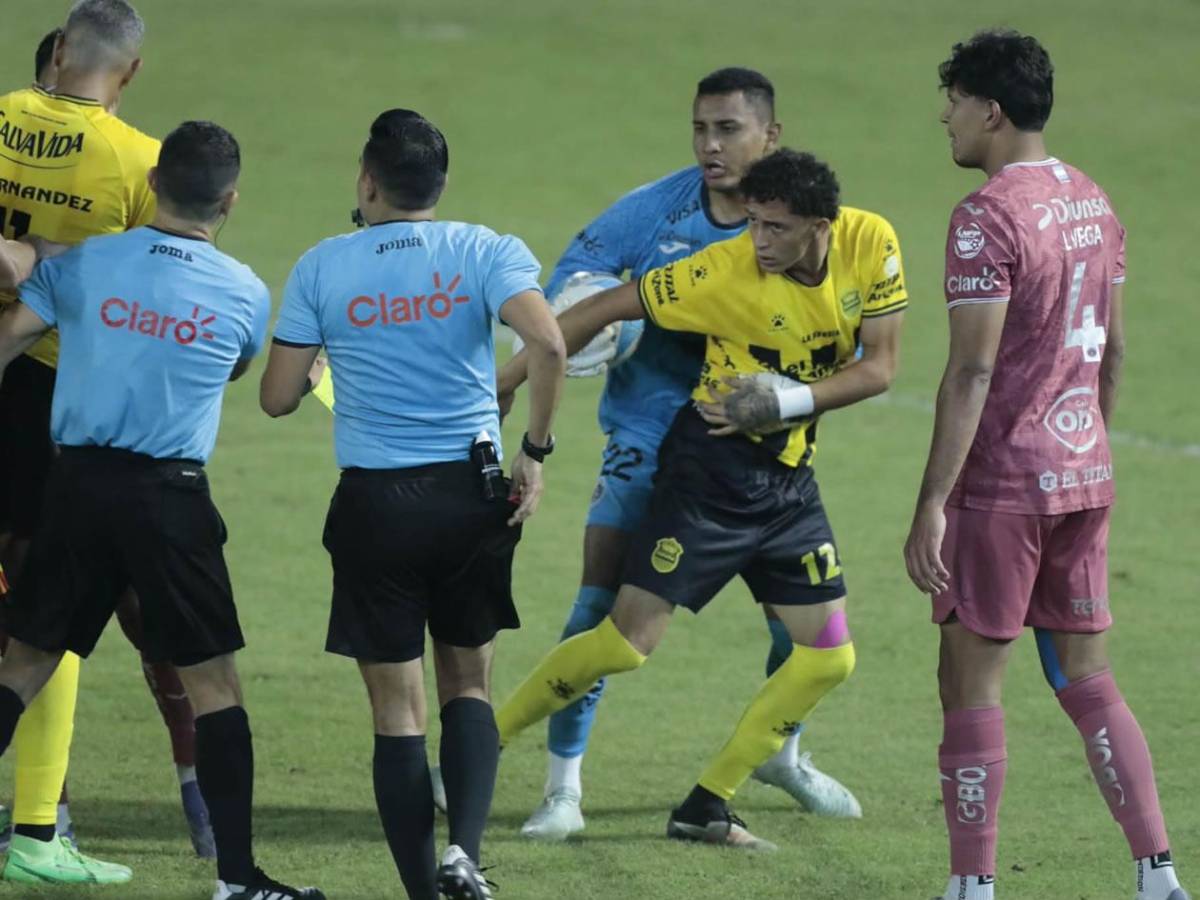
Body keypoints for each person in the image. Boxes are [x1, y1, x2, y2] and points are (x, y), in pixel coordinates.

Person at [494, 148, 907, 849]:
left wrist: (782, 403)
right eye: (752, 224)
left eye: (775, 228)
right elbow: (606, 306)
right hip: (708, 476)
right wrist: (506, 381)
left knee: (828, 655)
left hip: (788, 483)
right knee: (625, 644)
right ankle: (482, 740)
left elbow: (882, 367)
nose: (759, 242)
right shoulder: (720, 271)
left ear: (819, 225)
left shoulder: (873, 242)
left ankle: (707, 803)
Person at [0, 119, 324, 900]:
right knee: (214, 685)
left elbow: (11, 341)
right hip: (167, 498)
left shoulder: (86, 263)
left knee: (21, 666)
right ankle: (238, 880)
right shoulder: (244, 291)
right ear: (230, 202)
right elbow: (243, 367)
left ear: (152, 186)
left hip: (73, 487)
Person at [903, 30, 1190, 900]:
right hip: (1082, 474)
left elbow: (973, 370)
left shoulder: (986, 217)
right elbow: (1117, 351)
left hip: (1002, 488)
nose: (943, 117)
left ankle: (973, 886)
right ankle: (1159, 874)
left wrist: (932, 505)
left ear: (990, 110)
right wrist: (1088, 445)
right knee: (1089, 677)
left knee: (968, 675)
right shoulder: (1094, 201)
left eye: (953, 101)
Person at [260, 109, 566, 900]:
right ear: (440, 186)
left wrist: (331, 351)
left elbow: (277, 399)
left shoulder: (323, 266)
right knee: (469, 683)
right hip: (470, 496)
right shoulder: (483, 248)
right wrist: (532, 454)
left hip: (375, 504)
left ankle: (421, 892)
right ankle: (464, 852)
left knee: (397, 711)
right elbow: (551, 345)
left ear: (367, 182)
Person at [0, 14, 215, 861]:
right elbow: (146, 277)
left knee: (26, 587)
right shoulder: (136, 158)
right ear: (128, 72)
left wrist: (19, 250)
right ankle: (178, 798)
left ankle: (43, 810)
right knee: (112, 590)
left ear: (56, 52)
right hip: (77, 389)